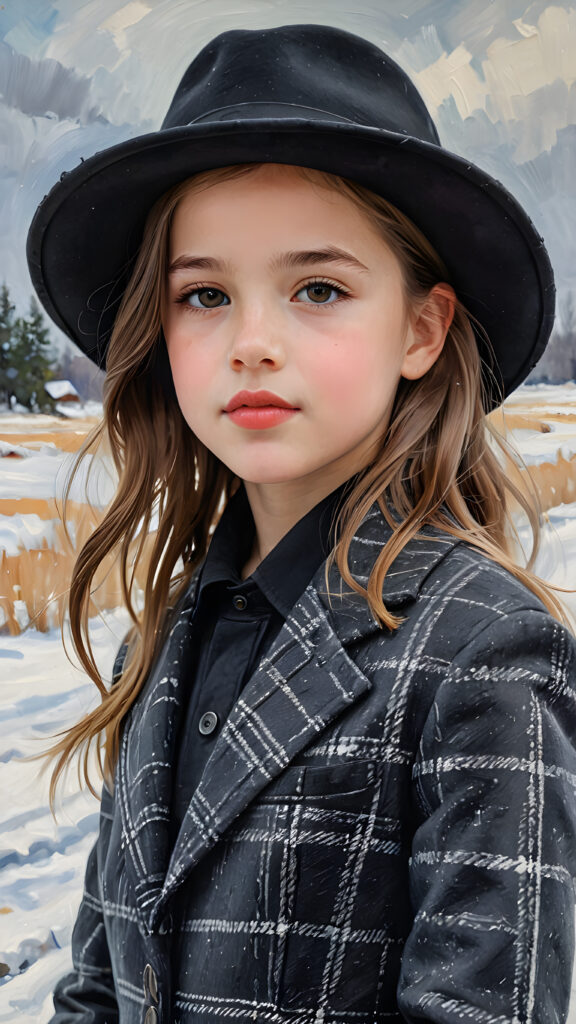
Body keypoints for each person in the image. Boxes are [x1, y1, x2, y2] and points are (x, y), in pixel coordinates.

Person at [27, 22, 576, 1024]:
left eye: (317, 288)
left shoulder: (486, 654)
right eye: (203, 295)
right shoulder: (160, 640)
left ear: (421, 328)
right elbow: (101, 984)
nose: (251, 343)